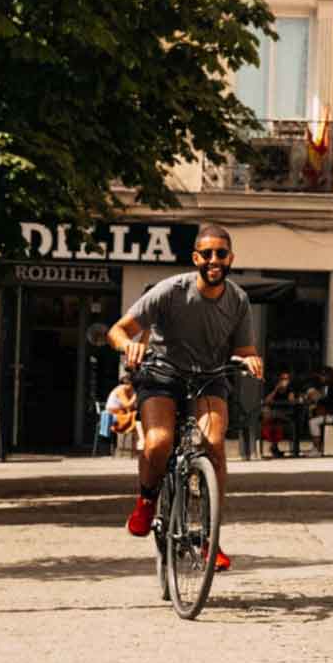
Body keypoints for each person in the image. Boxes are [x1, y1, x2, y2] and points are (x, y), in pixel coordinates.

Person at [106, 224, 264, 572]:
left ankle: (209, 539)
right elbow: (117, 330)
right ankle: (147, 499)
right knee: (159, 441)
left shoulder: (237, 300)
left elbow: (244, 348)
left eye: (221, 253)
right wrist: (129, 345)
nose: (213, 260)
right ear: (195, 257)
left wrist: (250, 358)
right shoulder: (170, 291)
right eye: (206, 254)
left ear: (230, 258)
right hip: (162, 374)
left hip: (209, 378)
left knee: (214, 443)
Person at [307, 365, 333, 454]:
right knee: (315, 417)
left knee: (313, 422)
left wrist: (317, 400)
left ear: (328, 376)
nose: (321, 379)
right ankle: (318, 447)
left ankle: (317, 449)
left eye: (322, 376)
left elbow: (328, 402)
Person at [105, 375, 143, 451]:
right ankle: (141, 440)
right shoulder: (121, 390)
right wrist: (135, 396)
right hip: (114, 414)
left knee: (138, 415)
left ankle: (141, 441)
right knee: (136, 416)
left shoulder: (127, 390)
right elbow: (127, 405)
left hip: (122, 413)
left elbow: (131, 407)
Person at [262, 371, 296, 458]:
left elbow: (291, 401)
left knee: (271, 417)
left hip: (286, 413)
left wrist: (287, 390)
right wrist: (276, 389)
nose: (284, 381)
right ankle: (274, 447)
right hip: (275, 414)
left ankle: (274, 447)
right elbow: (267, 400)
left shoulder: (290, 389)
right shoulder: (274, 388)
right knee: (274, 423)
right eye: (282, 379)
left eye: (286, 379)